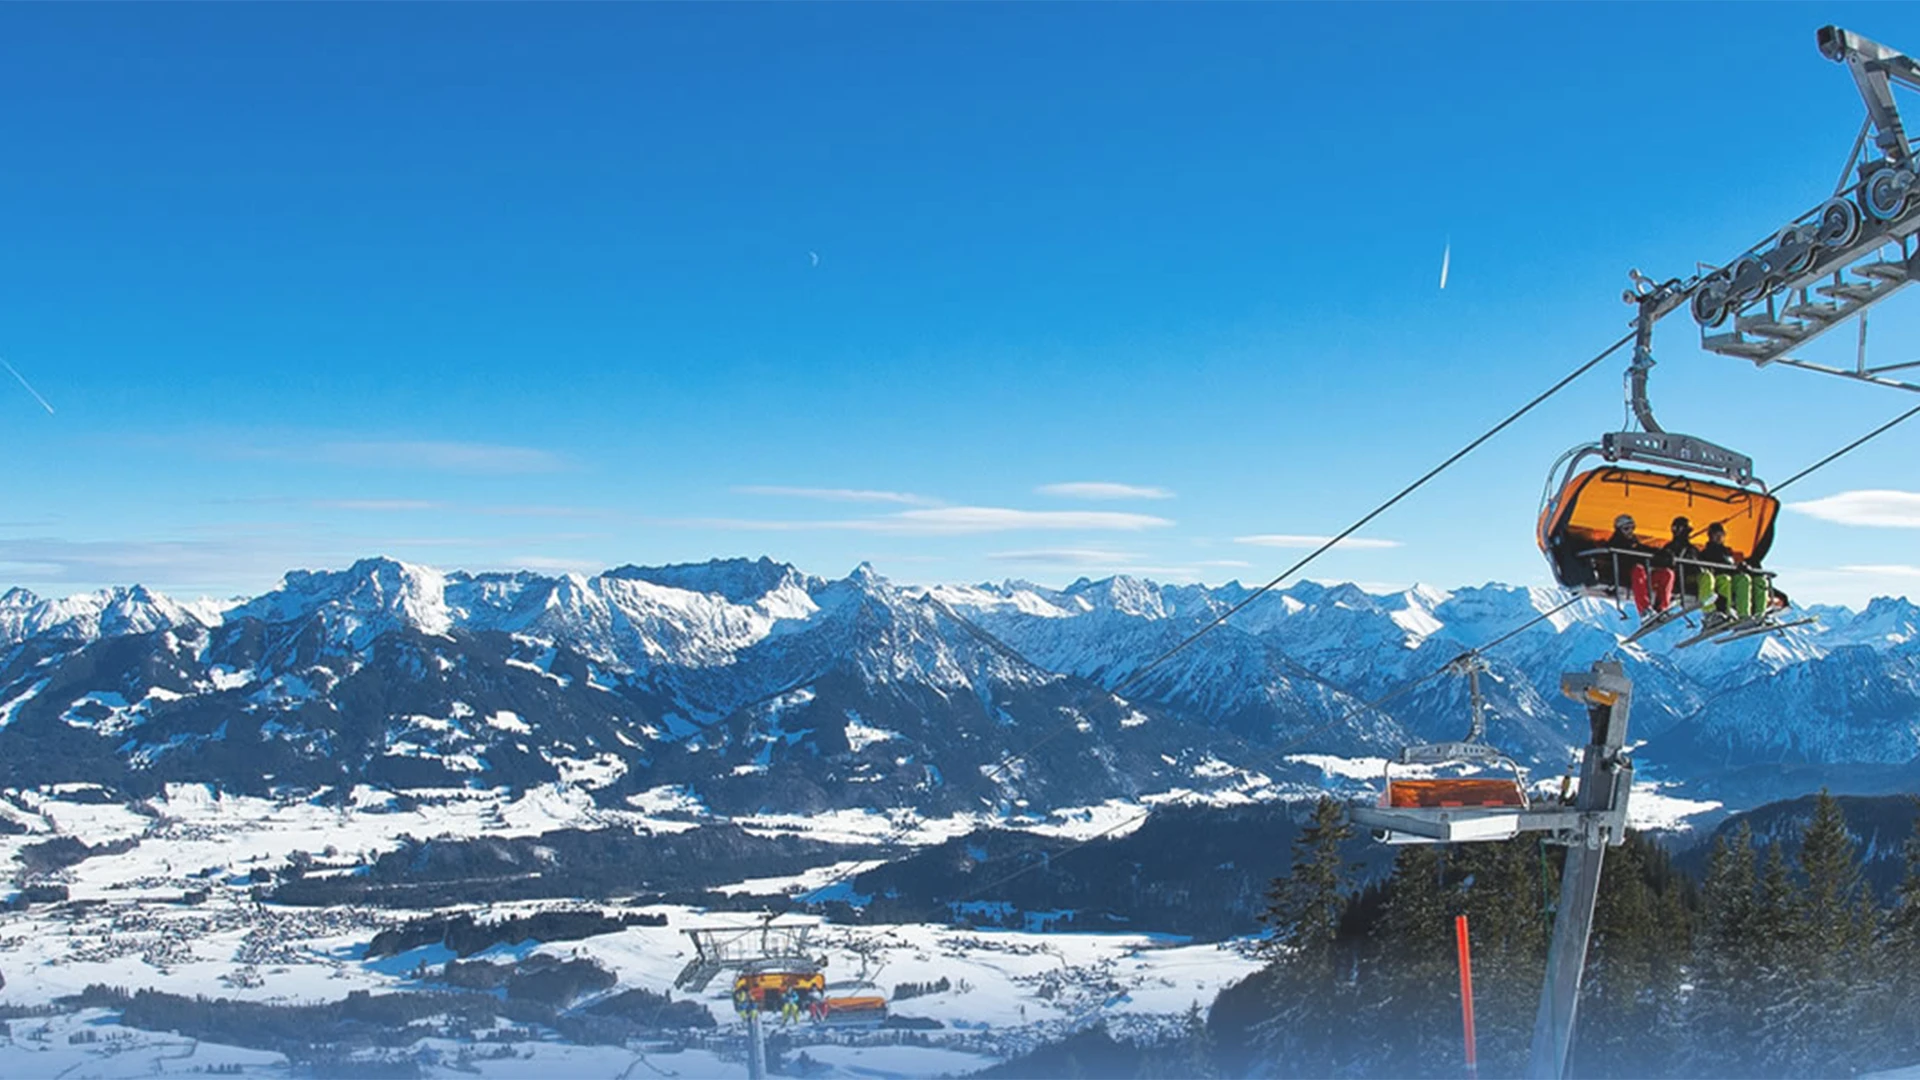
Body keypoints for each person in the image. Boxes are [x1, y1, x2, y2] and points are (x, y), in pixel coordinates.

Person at [1694, 521, 1768, 625]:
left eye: (1721, 535)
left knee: (1744, 579)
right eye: (1716, 535)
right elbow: (1703, 567)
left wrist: (1741, 567)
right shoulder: (1706, 553)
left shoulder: (1728, 553)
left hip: (1730, 577)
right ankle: (1724, 612)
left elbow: (1733, 566)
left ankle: (1750, 615)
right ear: (1711, 536)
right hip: (1718, 578)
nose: (1719, 537)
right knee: (1725, 580)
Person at [1600, 514, 1661, 615]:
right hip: (1624, 575)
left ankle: (1661, 608)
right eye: (1626, 528)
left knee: (1666, 574)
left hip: (1641, 576)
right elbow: (1615, 562)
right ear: (1619, 529)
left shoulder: (1634, 542)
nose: (1630, 531)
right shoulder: (1615, 544)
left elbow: (1643, 549)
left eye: (1632, 528)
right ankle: (1644, 609)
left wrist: (1660, 553)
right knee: (1638, 569)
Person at [1649, 516, 1694, 614]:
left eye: (1680, 529)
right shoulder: (1668, 547)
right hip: (1670, 578)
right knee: (1667, 575)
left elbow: (1695, 566)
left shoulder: (1691, 549)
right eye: (1675, 528)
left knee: (1668, 575)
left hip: (1684, 578)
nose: (1677, 531)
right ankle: (1660, 606)